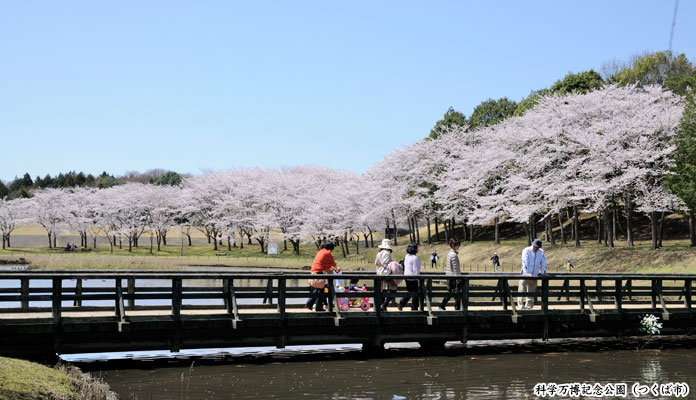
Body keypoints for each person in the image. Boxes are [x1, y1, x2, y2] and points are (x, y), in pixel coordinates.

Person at [306, 241, 337, 311]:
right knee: (322, 289)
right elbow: (333, 264)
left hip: (313, 272)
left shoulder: (320, 252)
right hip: (319, 272)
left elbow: (322, 263)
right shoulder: (327, 253)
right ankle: (318, 307)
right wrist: (336, 268)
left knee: (319, 289)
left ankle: (310, 304)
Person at [517, 238, 547, 309]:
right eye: (535, 247)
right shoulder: (526, 250)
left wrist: (543, 272)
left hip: (534, 274)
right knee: (521, 289)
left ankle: (529, 306)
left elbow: (543, 262)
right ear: (533, 245)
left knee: (532, 290)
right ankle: (520, 305)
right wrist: (526, 273)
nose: (536, 248)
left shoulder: (541, 252)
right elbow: (524, 262)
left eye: (537, 247)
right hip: (525, 274)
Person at [439, 238, 462, 310]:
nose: (458, 246)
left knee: (451, 292)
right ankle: (444, 306)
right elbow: (456, 268)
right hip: (453, 276)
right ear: (453, 245)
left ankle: (444, 306)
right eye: (457, 245)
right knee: (455, 293)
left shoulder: (449, 253)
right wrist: (458, 278)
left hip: (449, 275)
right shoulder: (454, 255)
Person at [375, 239, 397, 311]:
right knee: (393, 289)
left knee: (382, 291)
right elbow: (386, 263)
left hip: (379, 273)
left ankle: (380, 307)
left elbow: (376, 263)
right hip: (385, 274)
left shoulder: (379, 253)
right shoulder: (387, 253)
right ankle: (384, 305)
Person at [398, 242, 421, 311]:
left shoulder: (406, 256)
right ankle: (414, 308)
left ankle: (402, 303)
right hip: (413, 278)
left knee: (410, 291)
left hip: (406, 277)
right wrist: (418, 280)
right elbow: (416, 270)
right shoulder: (415, 258)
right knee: (416, 293)